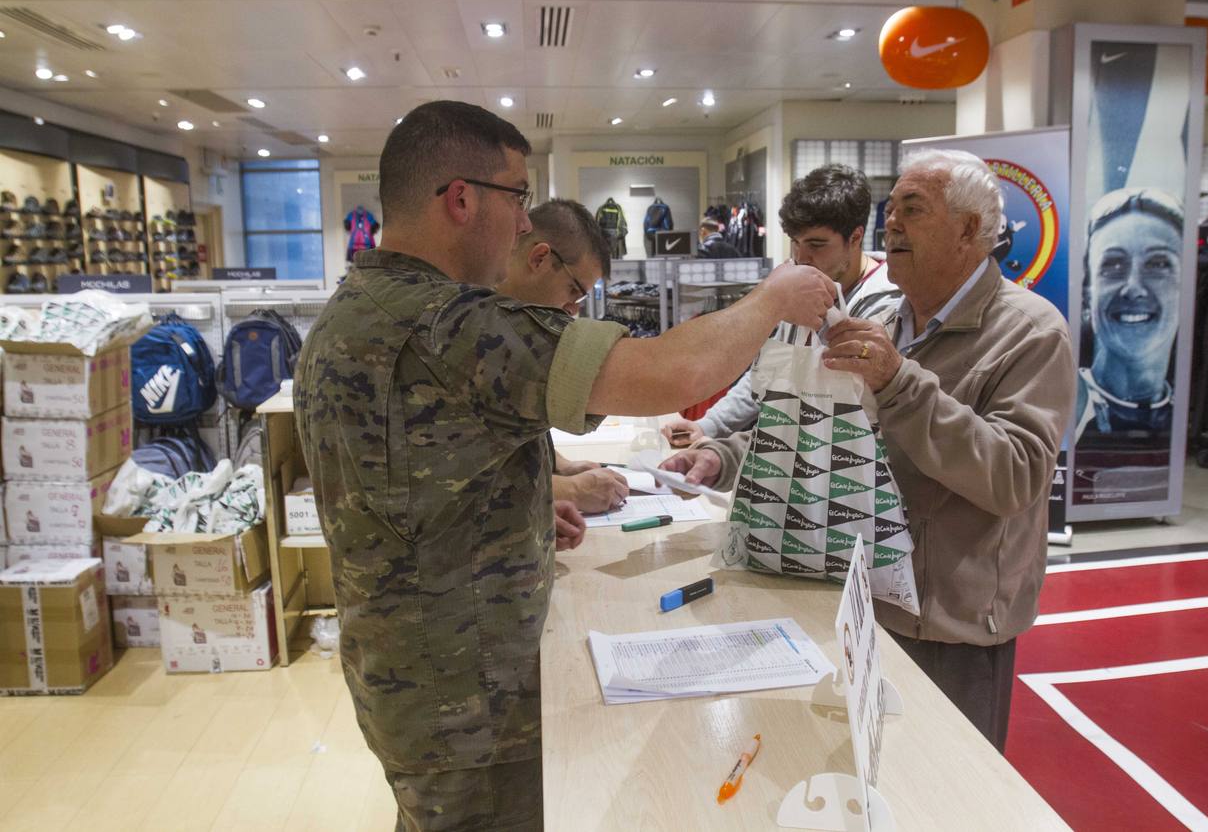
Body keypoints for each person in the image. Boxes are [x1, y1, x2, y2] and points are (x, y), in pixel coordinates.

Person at [293, 100, 835, 832]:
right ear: (461, 199)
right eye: (516, 198)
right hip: (468, 698)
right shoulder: (449, 325)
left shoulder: (356, 307)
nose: (524, 225)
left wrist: (512, 504)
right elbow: (664, 372)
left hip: (413, 677)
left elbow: (409, 482)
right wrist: (772, 299)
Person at [662, 148, 1075, 752]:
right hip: (860, 600)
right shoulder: (885, 317)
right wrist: (723, 454)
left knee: (947, 798)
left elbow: (1015, 476)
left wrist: (900, 382)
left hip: (950, 627)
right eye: (892, 210)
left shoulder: (1031, 333)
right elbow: (827, 427)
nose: (893, 226)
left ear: (969, 230)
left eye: (913, 209)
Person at [662, 164, 901, 446]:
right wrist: (708, 425)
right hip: (788, 463)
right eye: (795, 242)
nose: (802, 256)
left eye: (816, 244)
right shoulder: (795, 288)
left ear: (856, 237)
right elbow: (768, 372)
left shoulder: (889, 307)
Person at [497, 197, 628, 514]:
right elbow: (462, 473)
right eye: (574, 291)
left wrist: (562, 466)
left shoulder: (515, 323)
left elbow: (508, 430)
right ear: (540, 258)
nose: (573, 309)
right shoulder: (477, 327)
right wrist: (571, 490)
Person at [1075, 187, 1183, 440]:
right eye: (1113, 264)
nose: (1133, 288)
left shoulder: (1183, 425)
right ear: (1088, 292)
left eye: (1158, 264)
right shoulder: (1063, 408)